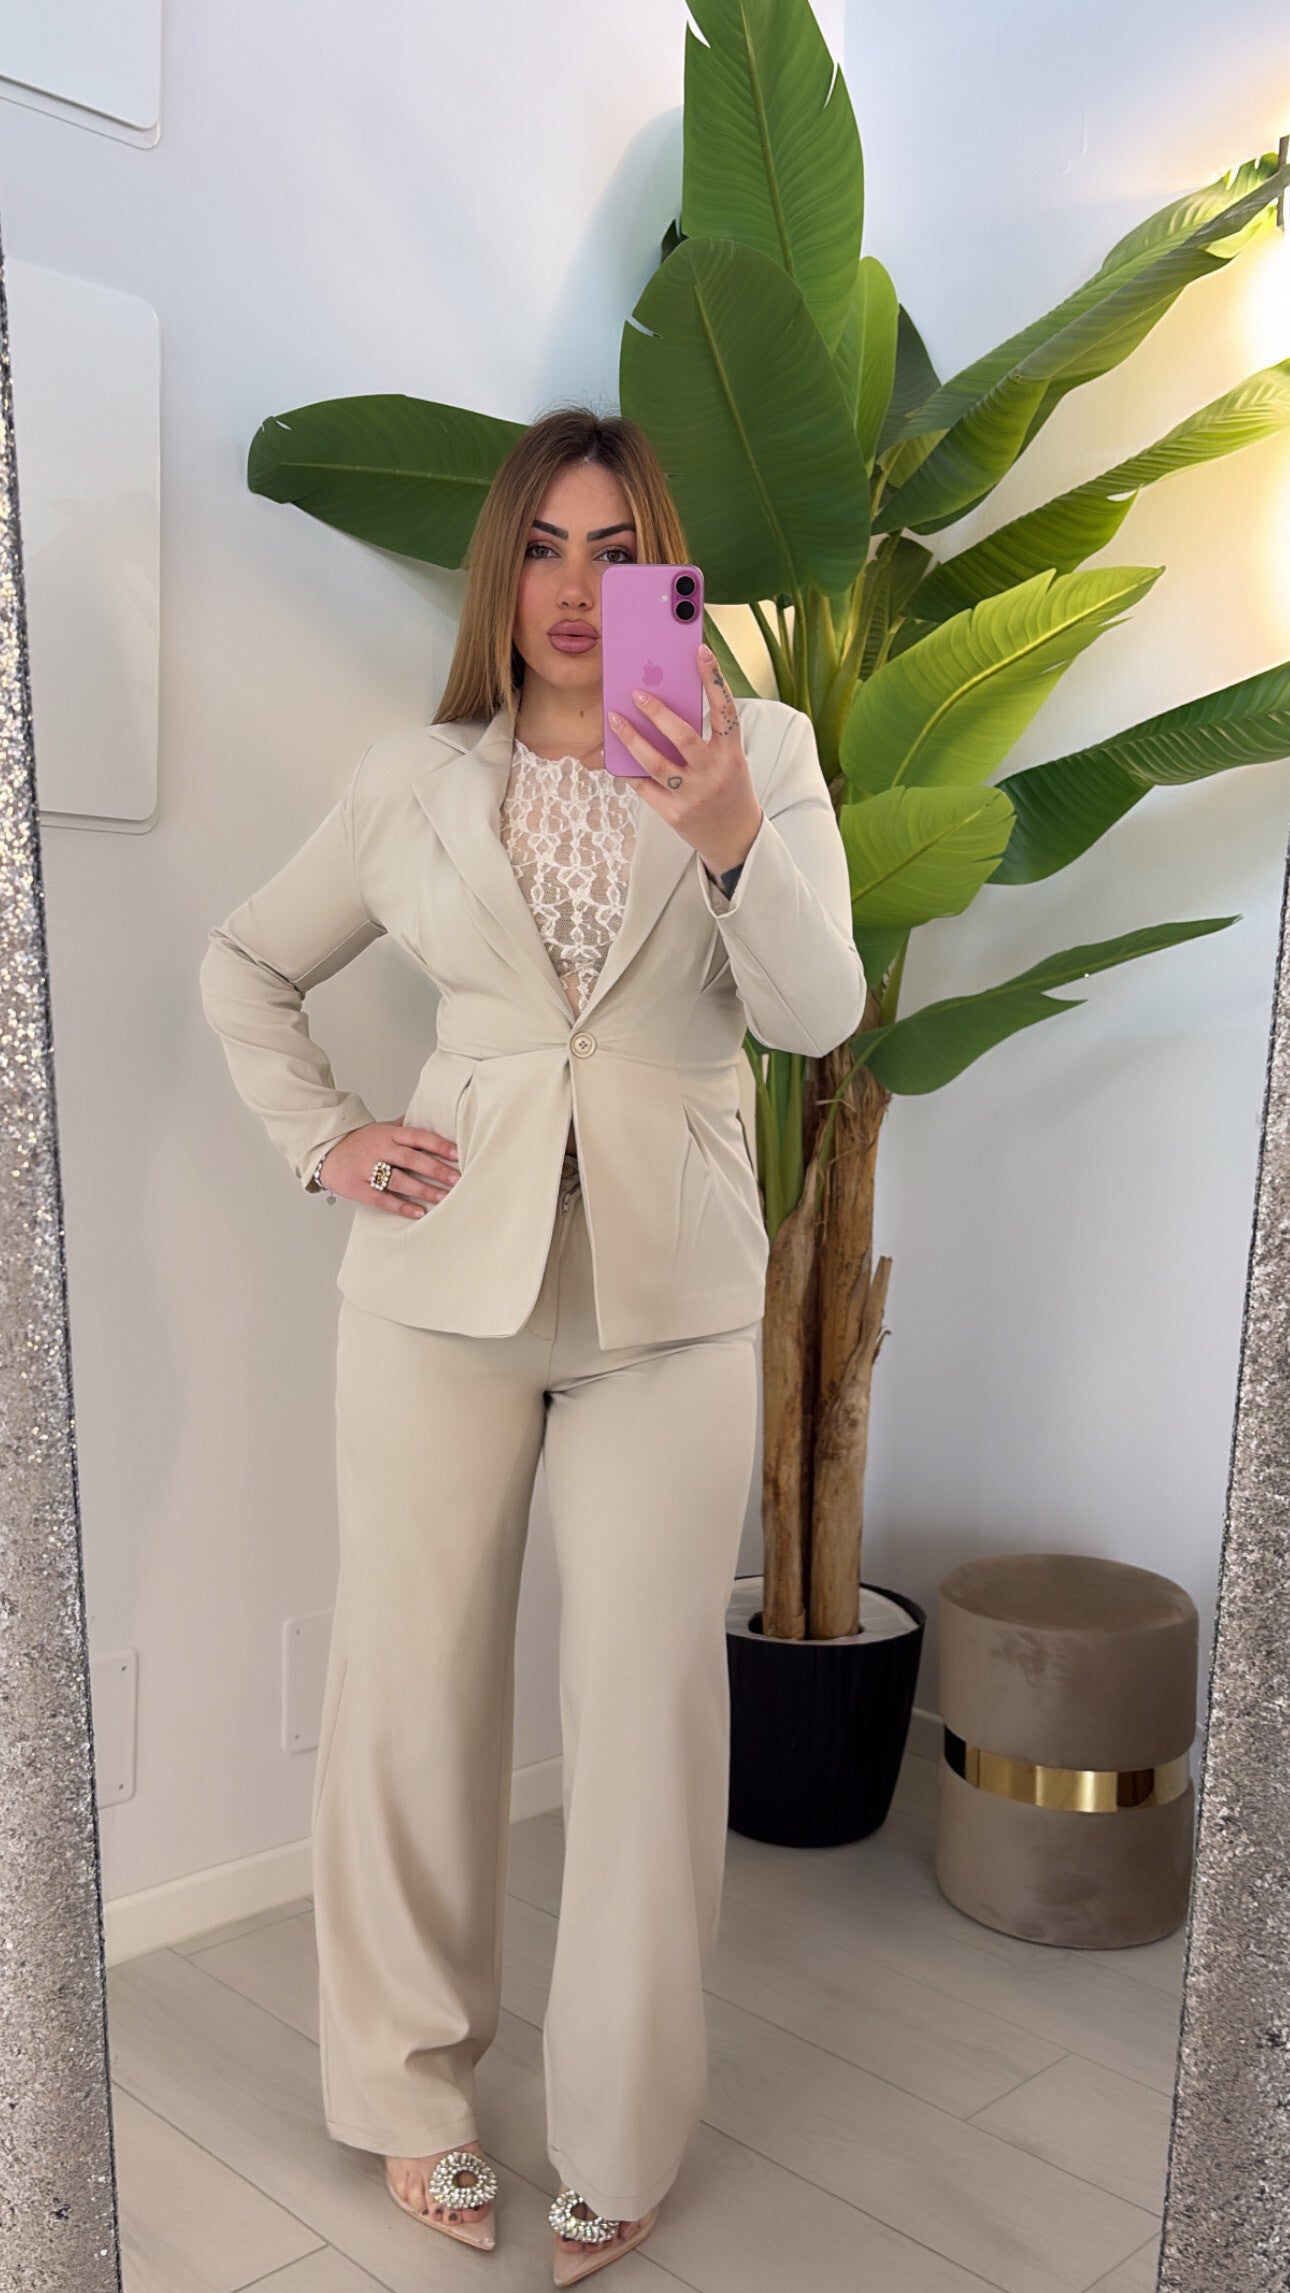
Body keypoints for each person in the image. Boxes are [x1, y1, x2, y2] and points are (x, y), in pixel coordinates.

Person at [199, 407, 866, 2283]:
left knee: (645, 1717)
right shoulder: (411, 780)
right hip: (434, 1296)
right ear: (501, 570)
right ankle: (409, 2097)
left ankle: (622, 2134)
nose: (578, 590)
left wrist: (725, 831)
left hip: (673, 1305)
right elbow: (245, 961)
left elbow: (816, 1013)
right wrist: (326, 1137)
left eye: (618, 552)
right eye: (547, 549)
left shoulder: (762, 753)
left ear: (672, 576)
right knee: (410, 1695)